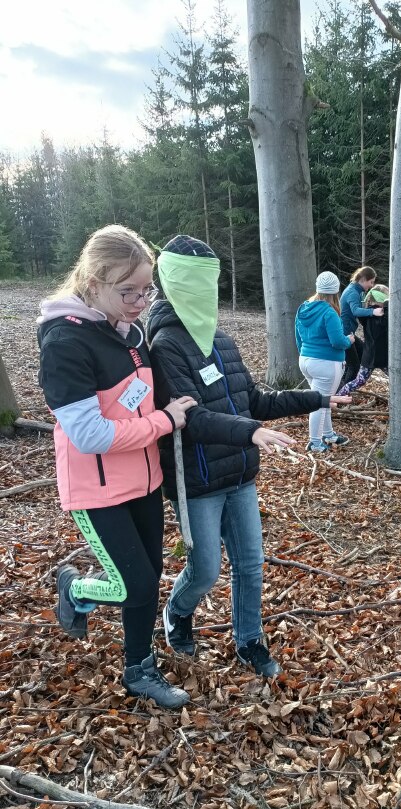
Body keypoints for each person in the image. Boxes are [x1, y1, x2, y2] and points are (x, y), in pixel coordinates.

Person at [147, 236, 351, 676]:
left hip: (240, 476)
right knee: (205, 571)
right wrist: (252, 432)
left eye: (211, 282)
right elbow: (192, 419)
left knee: (250, 565)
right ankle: (177, 612)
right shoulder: (164, 346)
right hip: (199, 480)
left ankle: (249, 640)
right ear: (173, 283)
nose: (206, 292)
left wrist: (316, 399)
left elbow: (253, 400)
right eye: (195, 282)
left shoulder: (221, 340)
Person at [37, 224, 197, 709]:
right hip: (97, 489)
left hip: (144, 479)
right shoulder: (66, 342)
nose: (140, 302)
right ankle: (74, 588)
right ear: (93, 282)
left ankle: (139, 668)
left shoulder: (130, 332)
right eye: (128, 291)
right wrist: (164, 422)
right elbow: (90, 435)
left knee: (149, 578)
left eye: (147, 290)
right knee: (133, 583)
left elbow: (139, 401)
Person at [295, 271, 354, 452]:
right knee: (319, 403)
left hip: (305, 360)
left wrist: (305, 354)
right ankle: (314, 442)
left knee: (323, 400)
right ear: (335, 291)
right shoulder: (330, 312)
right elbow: (337, 342)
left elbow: (298, 338)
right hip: (326, 363)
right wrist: (349, 340)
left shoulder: (303, 308)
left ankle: (328, 435)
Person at [337, 284, 389, 396]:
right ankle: (337, 397)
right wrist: (386, 306)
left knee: (358, 381)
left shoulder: (366, 315)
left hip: (370, 357)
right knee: (398, 379)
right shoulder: (381, 316)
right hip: (382, 357)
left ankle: (338, 396)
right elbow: (383, 320)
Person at [339, 266, 383, 385]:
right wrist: (373, 311)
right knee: (354, 366)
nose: (371, 285)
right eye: (371, 282)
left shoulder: (356, 290)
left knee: (363, 352)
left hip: (349, 332)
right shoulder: (352, 292)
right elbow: (356, 311)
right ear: (363, 279)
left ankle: (341, 385)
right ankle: (342, 392)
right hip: (345, 333)